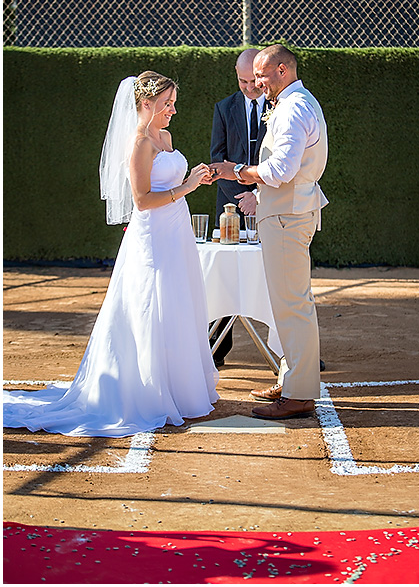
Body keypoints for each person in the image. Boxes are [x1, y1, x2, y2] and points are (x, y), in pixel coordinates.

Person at [3, 72, 219, 437]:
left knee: (179, 303)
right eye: (167, 104)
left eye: (173, 103)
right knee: (152, 305)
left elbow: (170, 185)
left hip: (176, 232)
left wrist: (195, 179)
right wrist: (188, 186)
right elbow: (143, 201)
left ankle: (181, 391)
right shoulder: (139, 144)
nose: (173, 110)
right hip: (151, 238)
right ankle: (149, 395)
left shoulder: (163, 137)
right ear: (145, 104)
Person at [211, 44, 328, 420]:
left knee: (292, 305)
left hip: (286, 217)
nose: (258, 83)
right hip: (288, 213)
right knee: (291, 304)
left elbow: (280, 170)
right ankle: (293, 378)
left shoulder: (293, 107)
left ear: (282, 70)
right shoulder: (296, 102)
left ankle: (298, 393)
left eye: (261, 75)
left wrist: (238, 171)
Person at [207, 48, 268, 368]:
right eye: (241, 81)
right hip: (231, 205)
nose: (248, 87)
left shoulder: (280, 104)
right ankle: (216, 348)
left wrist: (258, 195)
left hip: (272, 202)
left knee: (278, 274)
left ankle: (292, 351)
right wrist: (242, 199)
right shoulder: (223, 108)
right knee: (224, 275)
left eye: (252, 81)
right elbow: (218, 161)